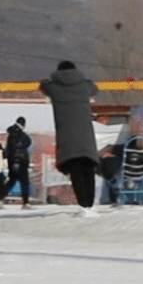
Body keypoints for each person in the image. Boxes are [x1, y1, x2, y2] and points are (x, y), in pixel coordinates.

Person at [42, 61, 100, 210]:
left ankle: (83, 203)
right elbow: (94, 88)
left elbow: (43, 87)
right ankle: (90, 203)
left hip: (67, 137)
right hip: (86, 136)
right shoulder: (84, 86)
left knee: (75, 171)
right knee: (88, 168)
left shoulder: (54, 87)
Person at [3, 118, 33, 207]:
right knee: (24, 182)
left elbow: (10, 149)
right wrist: (17, 161)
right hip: (20, 161)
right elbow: (22, 145)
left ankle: (0, 197)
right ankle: (25, 202)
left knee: (12, 180)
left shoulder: (12, 134)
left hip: (13, 161)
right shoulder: (19, 134)